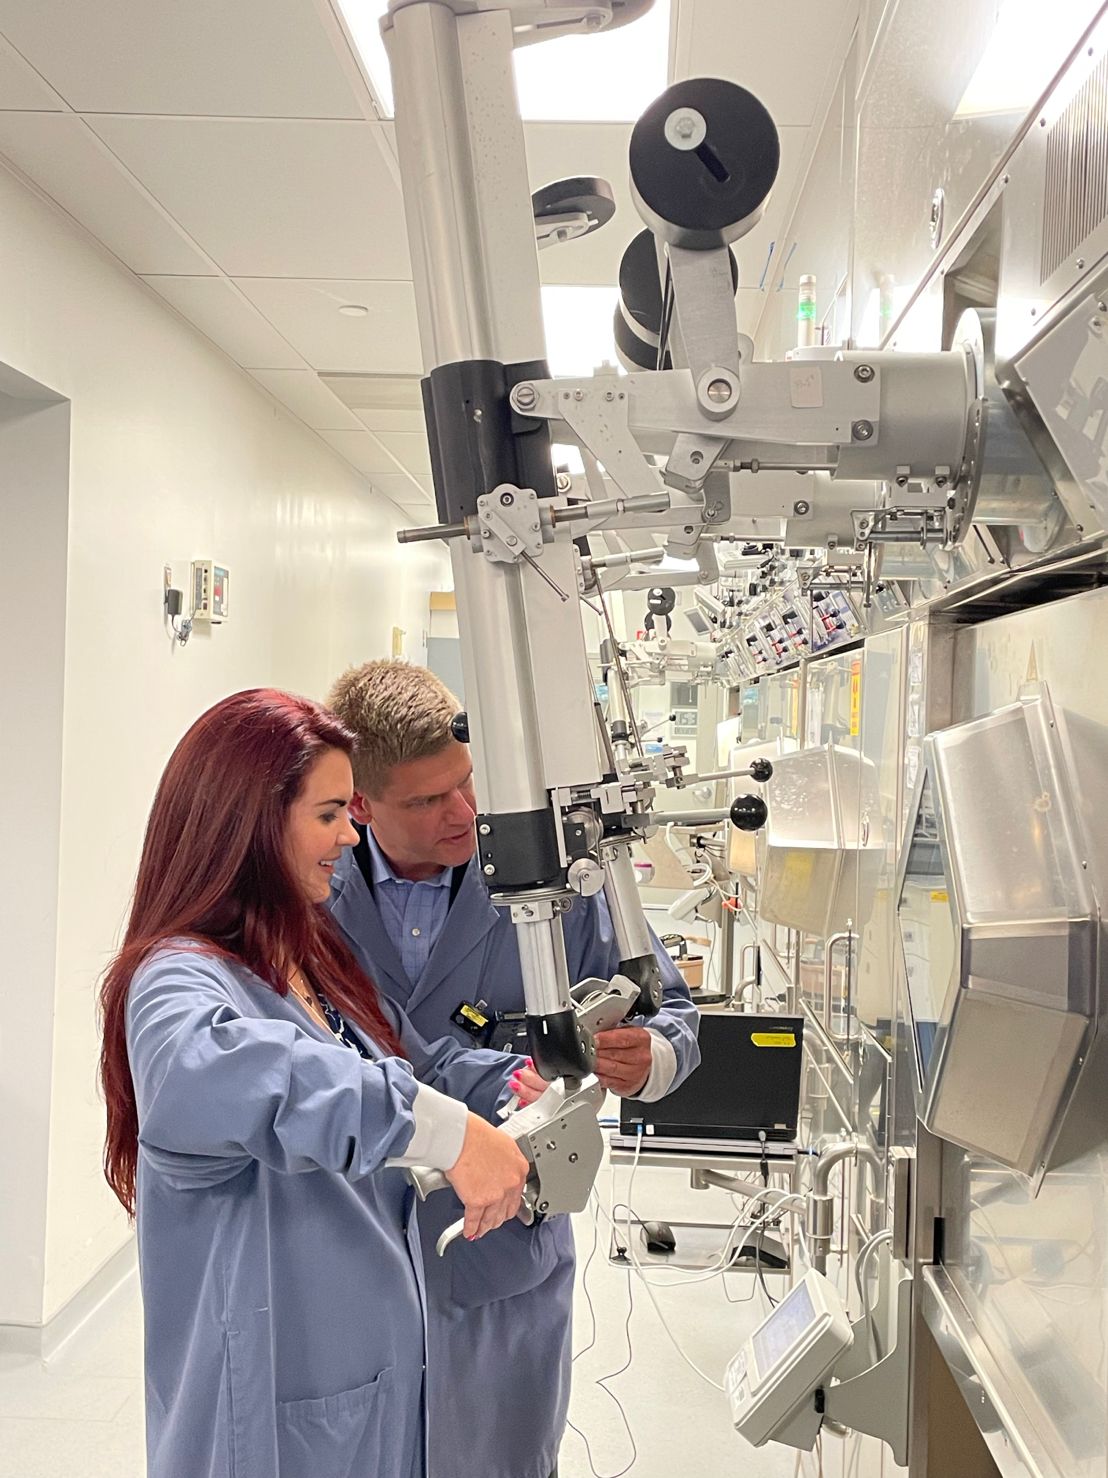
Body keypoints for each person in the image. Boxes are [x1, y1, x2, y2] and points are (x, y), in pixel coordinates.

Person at [98, 689, 531, 1478]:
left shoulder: (304, 961)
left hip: (368, 1394)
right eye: (330, 813)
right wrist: (440, 1131)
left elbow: (402, 1062)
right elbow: (230, 1077)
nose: (351, 834)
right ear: (253, 824)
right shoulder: (177, 980)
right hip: (276, 1419)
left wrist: (507, 1088)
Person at [325, 659, 702, 1478]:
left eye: (466, 783)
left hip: (502, 1251)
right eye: (426, 801)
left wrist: (652, 1058)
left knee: (496, 1458)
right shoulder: (313, 895)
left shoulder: (549, 882)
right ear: (359, 804)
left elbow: (668, 1010)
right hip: (348, 1241)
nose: (463, 813)